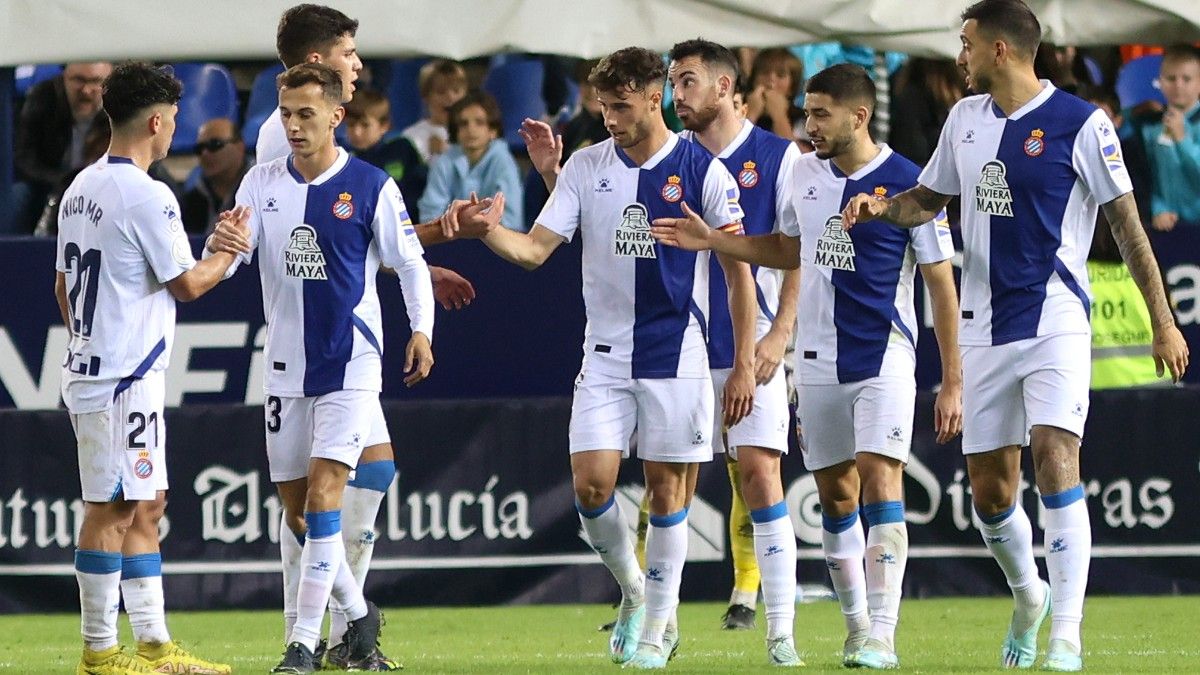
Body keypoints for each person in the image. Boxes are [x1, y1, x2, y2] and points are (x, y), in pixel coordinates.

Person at [837, 1, 1188, 670]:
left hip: (1055, 316)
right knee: (992, 494)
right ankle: (1031, 598)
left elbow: (1128, 226)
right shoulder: (964, 121)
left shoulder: (1083, 124)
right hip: (982, 327)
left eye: (966, 44)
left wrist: (1163, 320)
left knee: (1057, 455)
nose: (958, 56)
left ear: (1000, 51)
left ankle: (1067, 636)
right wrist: (880, 207)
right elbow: (926, 201)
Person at [650, 62, 964, 670]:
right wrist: (716, 240)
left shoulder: (909, 184)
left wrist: (952, 379)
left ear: (859, 116)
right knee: (836, 497)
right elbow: (786, 248)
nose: (809, 125)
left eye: (821, 114)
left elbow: (941, 286)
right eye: (807, 112)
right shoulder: (807, 177)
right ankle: (856, 628)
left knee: (881, 480)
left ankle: (883, 635)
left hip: (885, 357)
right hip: (816, 363)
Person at [462, 46, 755, 669]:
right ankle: (634, 590)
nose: (609, 118)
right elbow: (535, 251)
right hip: (604, 355)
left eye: (620, 106)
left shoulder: (705, 171)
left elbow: (738, 273)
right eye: (602, 106)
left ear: (655, 99)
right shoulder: (584, 167)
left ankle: (657, 628)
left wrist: (747, 359)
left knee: (666, 489)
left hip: (678, 353)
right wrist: (489, 230)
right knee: (591, 487)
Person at [252, 7, 495, 667]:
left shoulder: (343, 158)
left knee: (368, 472)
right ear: (318, 61)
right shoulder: (283, 143)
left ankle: (337, 628)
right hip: (308, 344)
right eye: (350, 53)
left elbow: (357, 231)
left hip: (345, 345)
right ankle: (331, 629)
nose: (358, 65)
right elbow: (312, 240)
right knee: (305, 505)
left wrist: (428, 248)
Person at [207, 63, 435, 674]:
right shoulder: (259, 185)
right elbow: (233, 261)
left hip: (350, 363)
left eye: (306, 114)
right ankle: (358, 616)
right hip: (283, 365)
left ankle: (302, 646)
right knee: (300, 514)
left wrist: (421, 331)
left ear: (337, 117)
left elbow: (410, 264)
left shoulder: (370, 186)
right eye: (286, 114)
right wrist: (217, 250)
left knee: (328, 496)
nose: (294, 125)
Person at [56, 61, 237, 675]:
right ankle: (100, 652)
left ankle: (156, 643)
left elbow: (62, 287)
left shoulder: (80, 188)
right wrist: (227, 252)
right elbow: (188, 284)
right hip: (118, 380)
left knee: (147, 502)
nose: (172, 134)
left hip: (113, 371)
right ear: (157, 121)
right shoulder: (148, 194)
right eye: (173, 123)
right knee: (110, 508)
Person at [670, 39, 803, 647]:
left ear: (725, 87)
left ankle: (780, 630)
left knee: (757, 472)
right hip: (682, 346)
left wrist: (780, 332)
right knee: (666, 479)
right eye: (672, 84)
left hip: (755, 340)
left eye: (688, 82)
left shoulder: (780, 157)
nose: (677, 96)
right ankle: (653, 619)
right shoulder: (669, 158)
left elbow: (798, 251)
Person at [14, 61, 113, 233]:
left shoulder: (120, 107)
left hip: (102, 188)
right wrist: (63, 180)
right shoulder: (42, 98)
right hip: (50, 184)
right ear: (64, 78)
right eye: (79, 80)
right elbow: (24, 159)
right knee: (18, 194)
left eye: (96, 81)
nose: (86, 90)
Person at [420, 90, 524, 232]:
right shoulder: (444, 162)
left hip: (495, 245)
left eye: (479, 123)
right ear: (456, 131)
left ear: (493, 130)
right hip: (448, 242)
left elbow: (511, 221)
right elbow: (429, 216)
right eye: (463, 124)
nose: (471, 129)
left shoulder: (504, 162)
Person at [1138, 45, 1200, 231]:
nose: (1178, 85)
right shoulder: (1150, 127)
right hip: (1168, 226)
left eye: (1186, 79)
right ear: (1160, 82)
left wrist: (1182, 140)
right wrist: (1158, 208)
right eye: (1171, 79)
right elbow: (1149, 177)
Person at [343, 89, 428, 221]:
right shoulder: (343, 158)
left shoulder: (402, 149)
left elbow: (420, 189)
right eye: (351, 125)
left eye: (365, 125)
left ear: (384, 126)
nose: (357, 132)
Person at [181, 118, 251, 233]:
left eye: (215, 144)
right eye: (199, 148)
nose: (205, 153)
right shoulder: (190, 203)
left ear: (240, 147)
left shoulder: (259, 192)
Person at [401, 59, 468, 162]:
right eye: (441, 91)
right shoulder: (411, 137)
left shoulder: (475, 133)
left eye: (456, 91)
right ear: (426, 97)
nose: (450, 97)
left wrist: (447, 151)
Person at [745, 49, 805, 142]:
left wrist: (779, 116)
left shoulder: (802, 119)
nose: (771, 79)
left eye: (780, 75)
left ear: (792, 86)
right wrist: (751, 114)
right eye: (764, 72)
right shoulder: (736, 112)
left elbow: (797, 154)